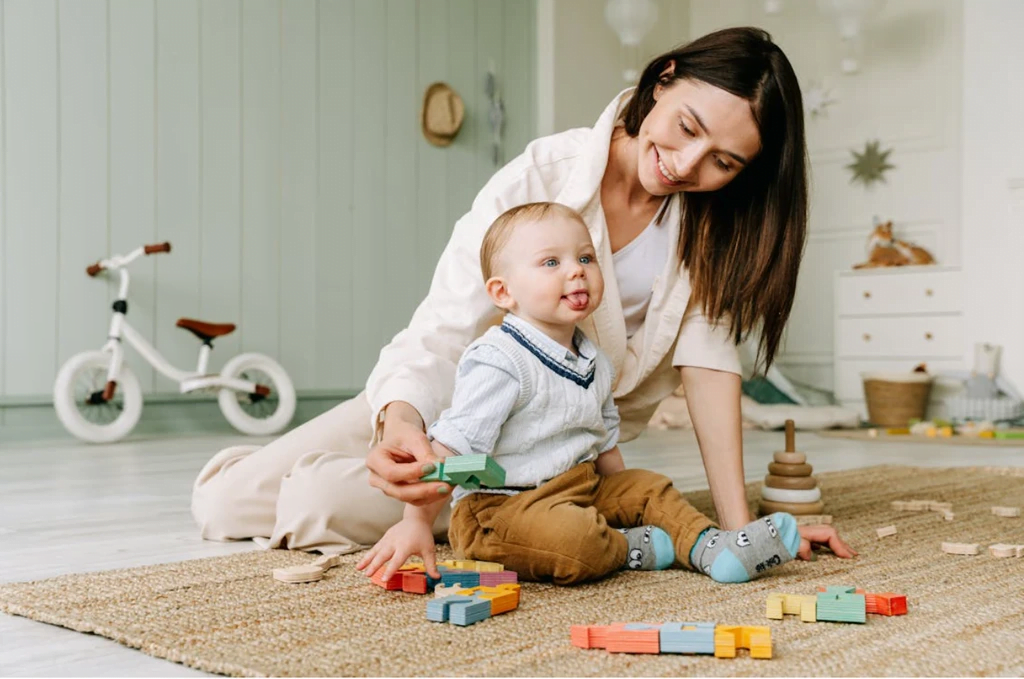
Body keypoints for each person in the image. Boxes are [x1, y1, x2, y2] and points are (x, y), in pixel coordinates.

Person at [191, 26, 855, 565]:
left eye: (723, 161)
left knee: (312, 500)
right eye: (686, 126)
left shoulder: (711, 232)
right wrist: (400, 423)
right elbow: (444, 326)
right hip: (451, 401)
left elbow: (710, 371)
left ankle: (500, 513)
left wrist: (740, 529)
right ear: (664, 78)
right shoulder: (544, 176)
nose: (687, 164)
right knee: (222, 504)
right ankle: (381, 475)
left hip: (549, 454)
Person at [355, 201, 812, 586]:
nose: (576, 271)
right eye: (552, 263)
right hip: (501, 510)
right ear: (503, 292)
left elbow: (603, 440)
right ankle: (632, 548)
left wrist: (627, 498)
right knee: (575, 541)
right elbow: (454, 450)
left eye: (586, 259)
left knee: (651, 488)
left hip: (577, 486)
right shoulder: (499, 359)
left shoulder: (593, 358)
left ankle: (715, 547)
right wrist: (414, 523)